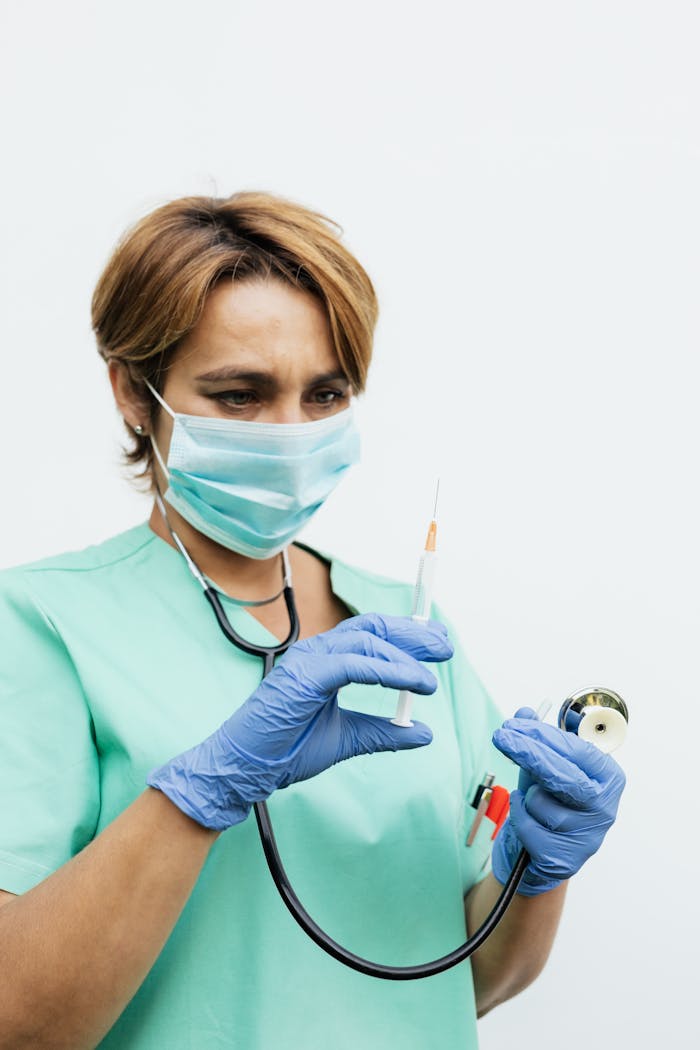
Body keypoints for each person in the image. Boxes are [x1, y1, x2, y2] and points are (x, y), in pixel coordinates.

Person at [0, 192, 625, 1050]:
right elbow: (19, 1022)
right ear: (132, 394)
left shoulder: (408, 633)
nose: (292, 433)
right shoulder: (41, 624)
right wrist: (201, 793)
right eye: (241, 395)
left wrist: (535, 868)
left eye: (325, 393)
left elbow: (468, 978)